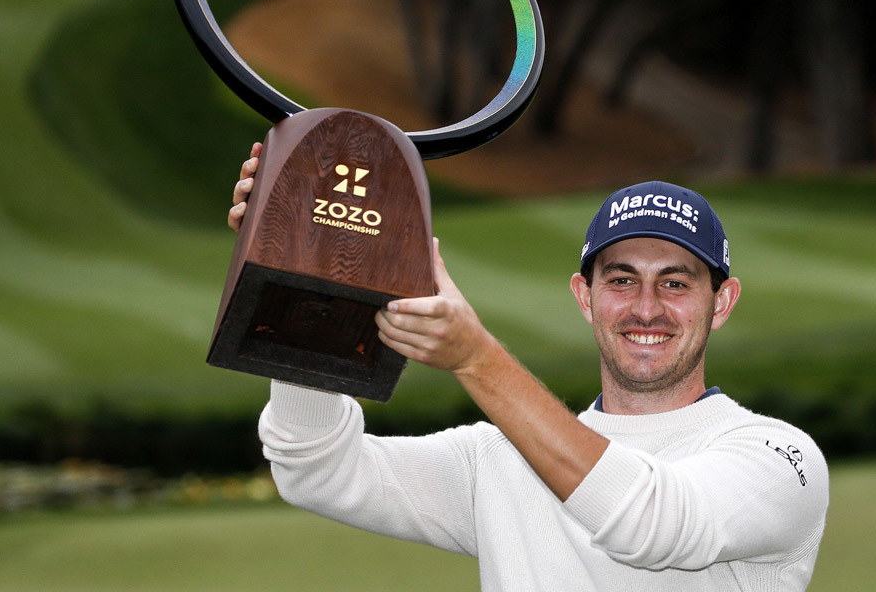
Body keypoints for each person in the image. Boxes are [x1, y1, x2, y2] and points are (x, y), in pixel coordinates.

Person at [229, 143, 828, 590]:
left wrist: (475, 357)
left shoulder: (776, 457)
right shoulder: (499, 459)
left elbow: (655, 523)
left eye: (675, 282)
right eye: (621, 280)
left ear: (721, 302)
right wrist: (307, 280)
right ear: (584, 296)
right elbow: (320, 470)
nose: (647, 308)